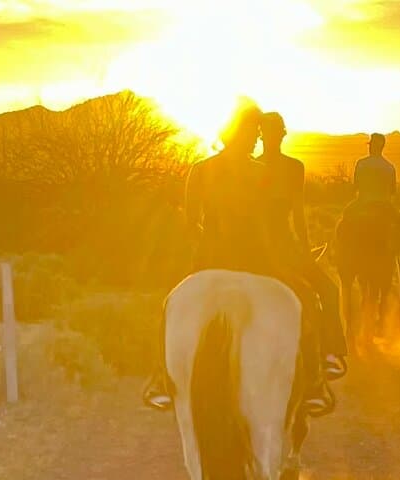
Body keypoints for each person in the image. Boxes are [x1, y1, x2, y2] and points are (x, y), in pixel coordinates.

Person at [143, 102, 339, 413]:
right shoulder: (260, 172)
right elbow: (266, 220)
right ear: (241, 133)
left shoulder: (201, 169)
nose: (258, 139)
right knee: (304, 301)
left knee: (171, 306)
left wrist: (206, 241)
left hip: (211, 257)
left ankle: (161, 379)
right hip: (256, 257)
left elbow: (190, 221)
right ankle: (314, 383)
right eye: (254, 133)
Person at [258, 112, 348, 380]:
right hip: (283, 242)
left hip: (255, 240)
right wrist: (305, 251)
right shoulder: (294, 167)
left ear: (262, 135)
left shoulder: (252, 165)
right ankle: (330, 354)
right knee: (329, 291)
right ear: (283, 134)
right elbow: (297, 215)